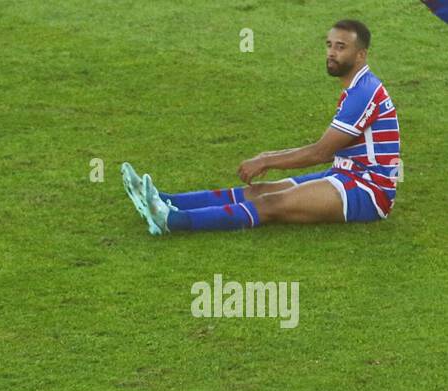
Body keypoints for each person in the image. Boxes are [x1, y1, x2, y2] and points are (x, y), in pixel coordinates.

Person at [123, 20, 398, 233]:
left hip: (369, 191)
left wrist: (267, 159)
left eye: (341, 47)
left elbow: (320, 152)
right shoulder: (356, 87)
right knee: (261, 190)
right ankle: (164, 200)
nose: (331, 53)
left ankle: (174, 221)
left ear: (360, 55)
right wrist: (269, 158)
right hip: (345, 174)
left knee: (270, 204)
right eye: (329, 45)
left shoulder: (363, 92)